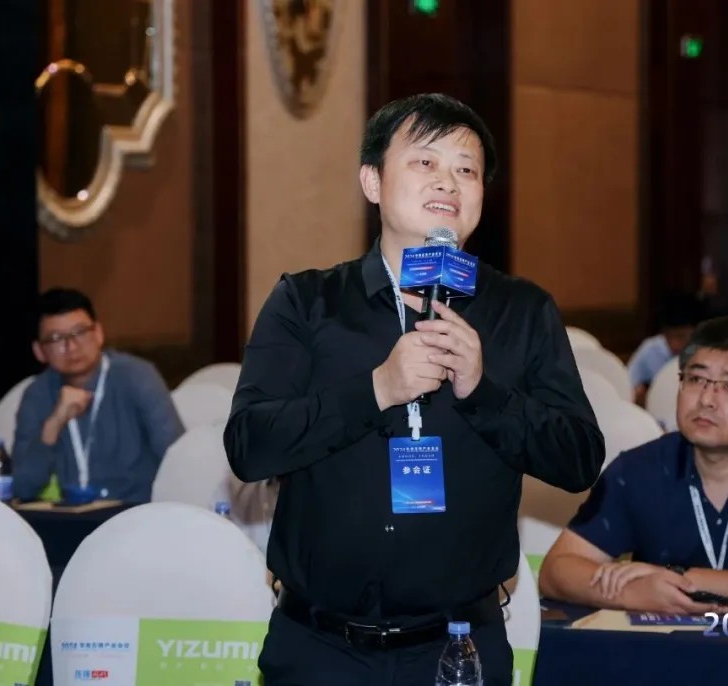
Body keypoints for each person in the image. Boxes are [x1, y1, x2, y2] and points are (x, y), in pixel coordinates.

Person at [224, 93, 605, 685]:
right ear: (372, 181)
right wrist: (376, 389)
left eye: (466, 169)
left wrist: (483, 392)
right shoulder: (306, 302)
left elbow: (578, 459)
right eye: (425, 161)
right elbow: (250, 447)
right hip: (319, 647)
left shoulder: (522, 311)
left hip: (459, 646)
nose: (448, 181)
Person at [538, 317, 728, 614]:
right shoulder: (639, 469)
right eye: (695, 379)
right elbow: (557, 570)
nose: (706, 399)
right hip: (657, 642)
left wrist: (679, 582)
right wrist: (633, 592)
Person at [11, 288, 184, 503]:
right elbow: (22, 488)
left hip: (135, 513)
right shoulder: (37, 394)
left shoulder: (137, 377)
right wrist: (53, 424)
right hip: (66, 516)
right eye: (56, 338)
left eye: (79, 332)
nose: (71, 346)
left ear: (99, 333)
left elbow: (177, 460)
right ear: (39, 351)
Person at [628, 292, 704, 406]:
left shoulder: (706, 351)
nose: (674, 344)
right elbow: (629, 384)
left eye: (681, 336)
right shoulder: (650, 350)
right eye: (668, 336)